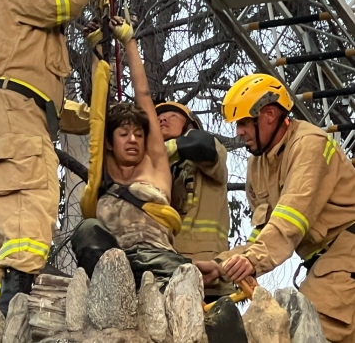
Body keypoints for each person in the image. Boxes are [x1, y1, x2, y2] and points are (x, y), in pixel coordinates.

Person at [0, 0, 120, 318]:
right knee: (30, 202)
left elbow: (54, 107)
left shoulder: (15, 32)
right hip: (12, 116)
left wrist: (104, 118)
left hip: (0, 117)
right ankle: (15, 305)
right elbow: (63, 0)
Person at [194, 74, 355, 342]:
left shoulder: (309, 146)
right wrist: (221, 266)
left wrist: (251, 261)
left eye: (244, 123)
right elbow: (263, 232)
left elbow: (291, 220)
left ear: (269, 114)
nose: (239, 132)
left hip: (345, 255)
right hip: (326, 262)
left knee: (303, 331)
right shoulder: (257, 165)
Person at [70, 18, 190, 291]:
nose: (133, 140)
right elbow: (99, 110)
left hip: (159, 261)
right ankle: (113, 293)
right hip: (115, 266)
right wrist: (96, 51)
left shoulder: (155, 165)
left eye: (137, 134)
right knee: (87, 230)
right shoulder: (104, 173)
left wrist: (129, 42)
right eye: (124, 134)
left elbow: (144, 95)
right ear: (111, 143)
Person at [156, 102, 231, 303]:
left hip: (208, 274)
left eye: (172, 115)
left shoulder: (208, 153)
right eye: (158, 118)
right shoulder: (152, 170)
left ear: (191, 125)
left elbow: (202, 145)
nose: (162, 119)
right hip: (165, 274)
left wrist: (158, 151)